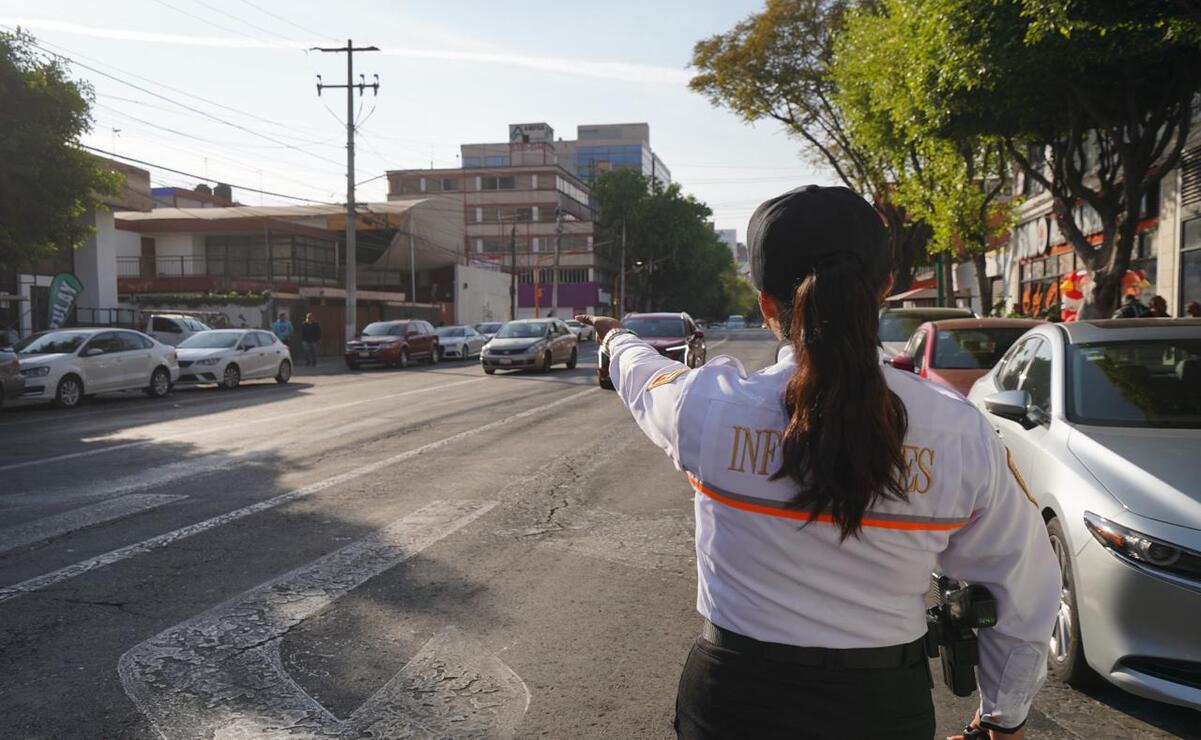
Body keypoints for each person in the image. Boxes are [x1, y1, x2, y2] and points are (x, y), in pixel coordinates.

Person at [577, 185, 1059, 740]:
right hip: (881, 709)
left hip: (733, 702)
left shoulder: (706, 408)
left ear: (765, 305)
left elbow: (646, 380)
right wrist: (1002, 720)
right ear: (882, 290)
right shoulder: (960, 430)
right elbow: (1023, 590)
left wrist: (617, 341)